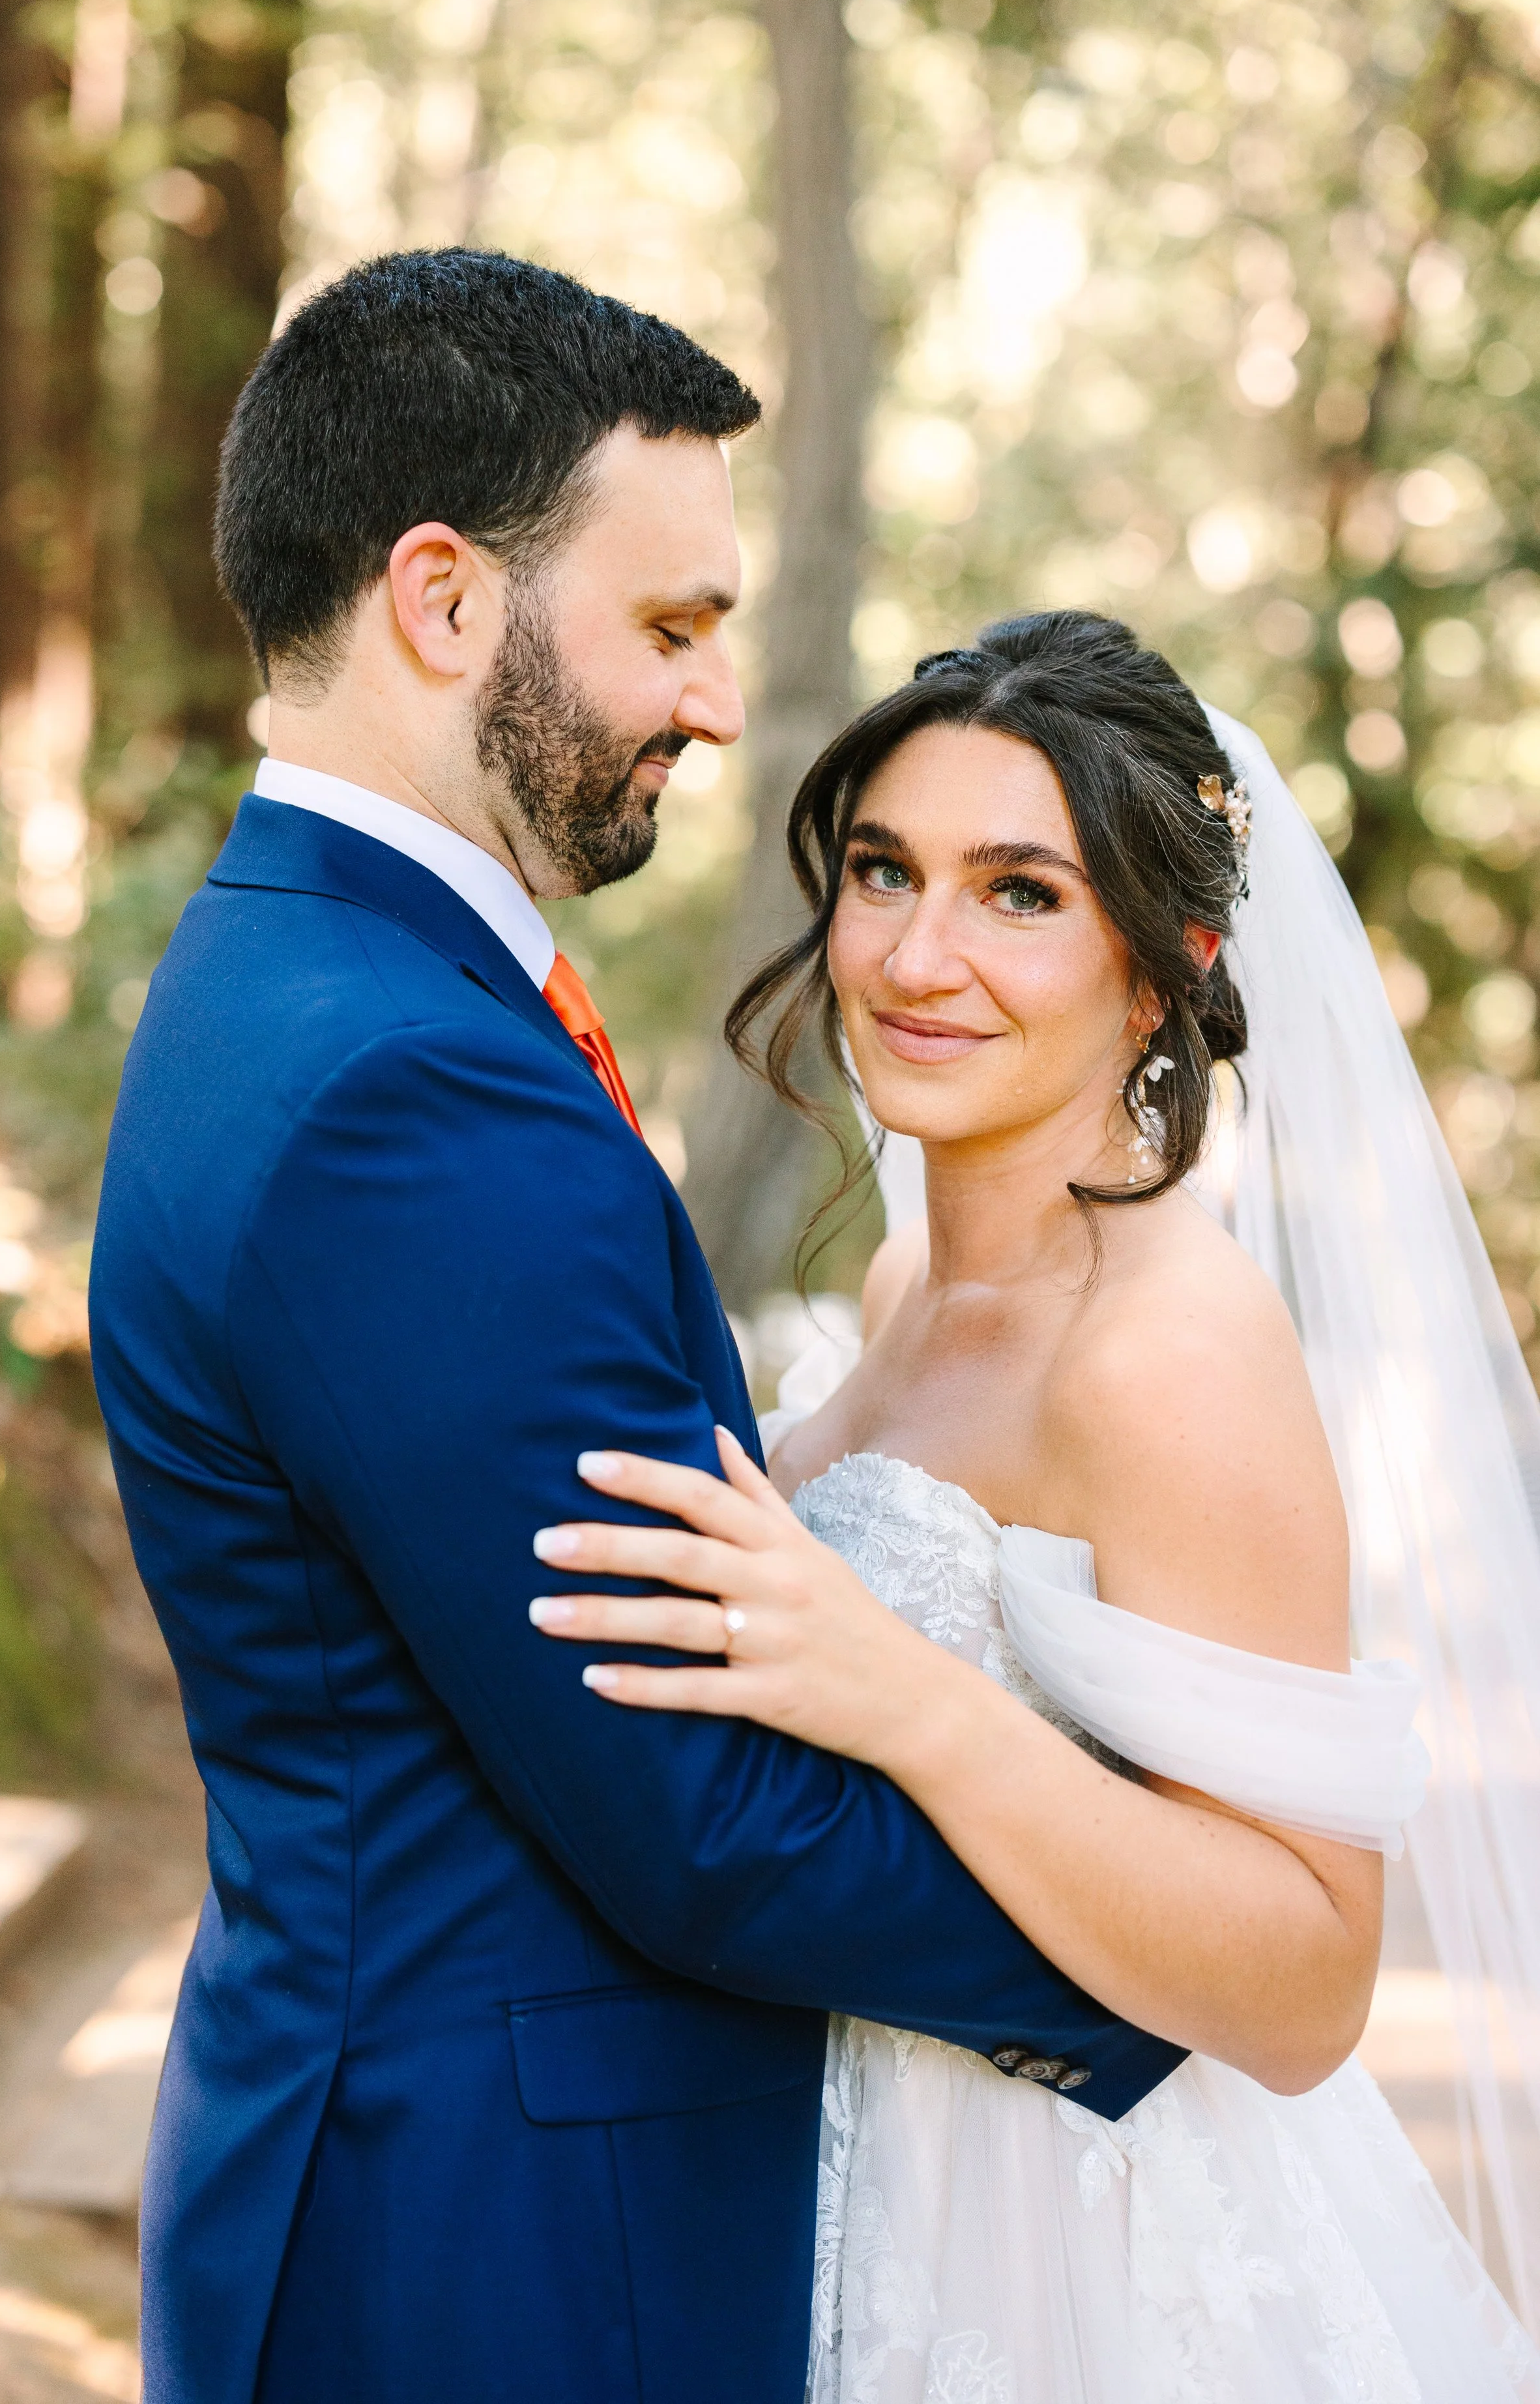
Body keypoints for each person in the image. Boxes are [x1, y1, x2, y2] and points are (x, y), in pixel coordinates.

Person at [88, 263, 1181, 2404]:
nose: (707, 703)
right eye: (669, 625)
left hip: (405, 2175)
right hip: (497, 2261)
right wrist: (1189, 1959)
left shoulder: (306, 983)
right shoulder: (405, 1085)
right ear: (442, 599)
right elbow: (694, 1812)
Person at [531, 611, 1540, 2401]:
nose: (920, 954)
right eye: (881, 870)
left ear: (1162, 966)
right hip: (850, 2178)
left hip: (1077, 2254)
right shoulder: (920, 1279)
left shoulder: (1161, 1350)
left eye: (1020, 892)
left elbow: (1308, 1983)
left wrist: (904, 1696)